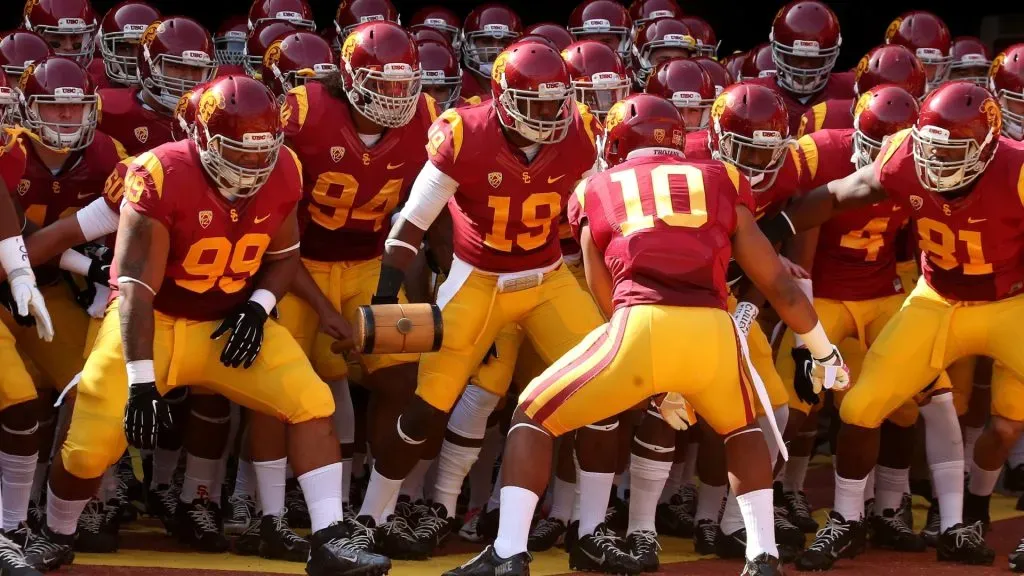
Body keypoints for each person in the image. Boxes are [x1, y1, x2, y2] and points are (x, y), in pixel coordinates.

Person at [443, 91, 847, 576]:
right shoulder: (722, 177)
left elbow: (604, 293)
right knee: (741, 429)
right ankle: (763, 557)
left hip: (640, 321)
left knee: (532, 416)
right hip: (714, 330)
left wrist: (650, 377)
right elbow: (779, 284)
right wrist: (823, 352)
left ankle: (509, 552)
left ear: (614, 145)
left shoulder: (594, 188)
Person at [28, 74, 391, 576]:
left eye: (260, 151)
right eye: (235, 150)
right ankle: (56, 533)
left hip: (225, 324)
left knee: (311, 400)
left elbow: (285, 255)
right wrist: (140, 381)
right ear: (199, 139)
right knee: (89, 449)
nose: (250, 163)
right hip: (152, 323)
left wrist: (259, 305)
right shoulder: (161, 174)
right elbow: (134, 286)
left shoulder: (283, 168)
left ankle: (330, 538)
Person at [759, 81, 1011, 569]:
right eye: (929, 148)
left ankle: (954, 524)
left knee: (941, 406)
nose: (936, 162)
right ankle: (834, 518)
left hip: (1007, 303)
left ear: (986, 146)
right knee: (849, 403)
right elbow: (831, 197)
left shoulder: (1016, 168)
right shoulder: (901, 158)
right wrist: (764, 239)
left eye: (951, 150)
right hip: (930, 299)